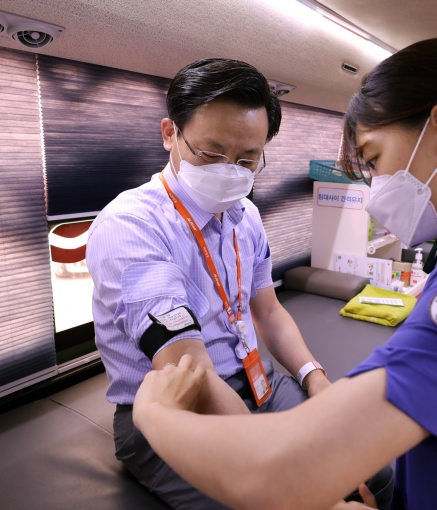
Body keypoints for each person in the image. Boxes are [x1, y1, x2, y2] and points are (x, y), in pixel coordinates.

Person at [131, 38, 437, 510]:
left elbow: (277, 474)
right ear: (171, 134)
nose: (376, 187)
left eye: (374, 159)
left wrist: (153, 415)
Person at [86, 58, 339, 510]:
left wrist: (315, 379)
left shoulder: (248, 216)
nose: (230, 171)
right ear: (170, 134)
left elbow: (268, 311)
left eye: (247, 159)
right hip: (174, 407)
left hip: (256, 380)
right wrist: (265, 461)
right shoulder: (132, 225)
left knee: (365, 465)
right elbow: (191, 372)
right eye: (211, 153)